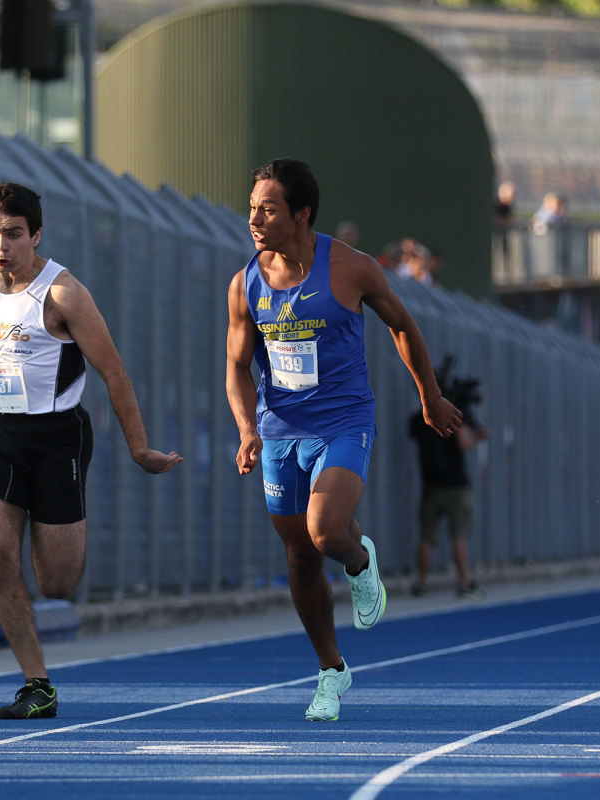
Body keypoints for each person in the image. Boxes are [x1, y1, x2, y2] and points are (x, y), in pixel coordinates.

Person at [0, 183, 182, 720]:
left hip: (58, 436)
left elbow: (114, 373)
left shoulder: (64, 294)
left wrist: (139, 448)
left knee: (56, 583)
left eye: (13, 234)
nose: (2, 245)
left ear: (36, 235)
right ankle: (37, 684)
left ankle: (65, 521)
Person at [226, 159, 461, 723]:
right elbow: (236, 365)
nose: (254, 219)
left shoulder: (351, 268)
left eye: (268, 209)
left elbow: (402, 325)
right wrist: (247, 428)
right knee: (300, 558)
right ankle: (331, 671)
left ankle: (359, 558)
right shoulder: (245, 283)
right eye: (252, 208)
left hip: (343, 422)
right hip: (280, 430)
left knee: (326, 530)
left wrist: (429, 396)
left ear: (301, 214)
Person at [408, 372, 488, 598]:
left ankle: (422, 582)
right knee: (459, 536)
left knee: (426, 537)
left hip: (430, 485)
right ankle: (464, 582)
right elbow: (464, 444)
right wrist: (478, 436)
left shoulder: (417, 420)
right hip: (456, 485)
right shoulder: (452, 415)